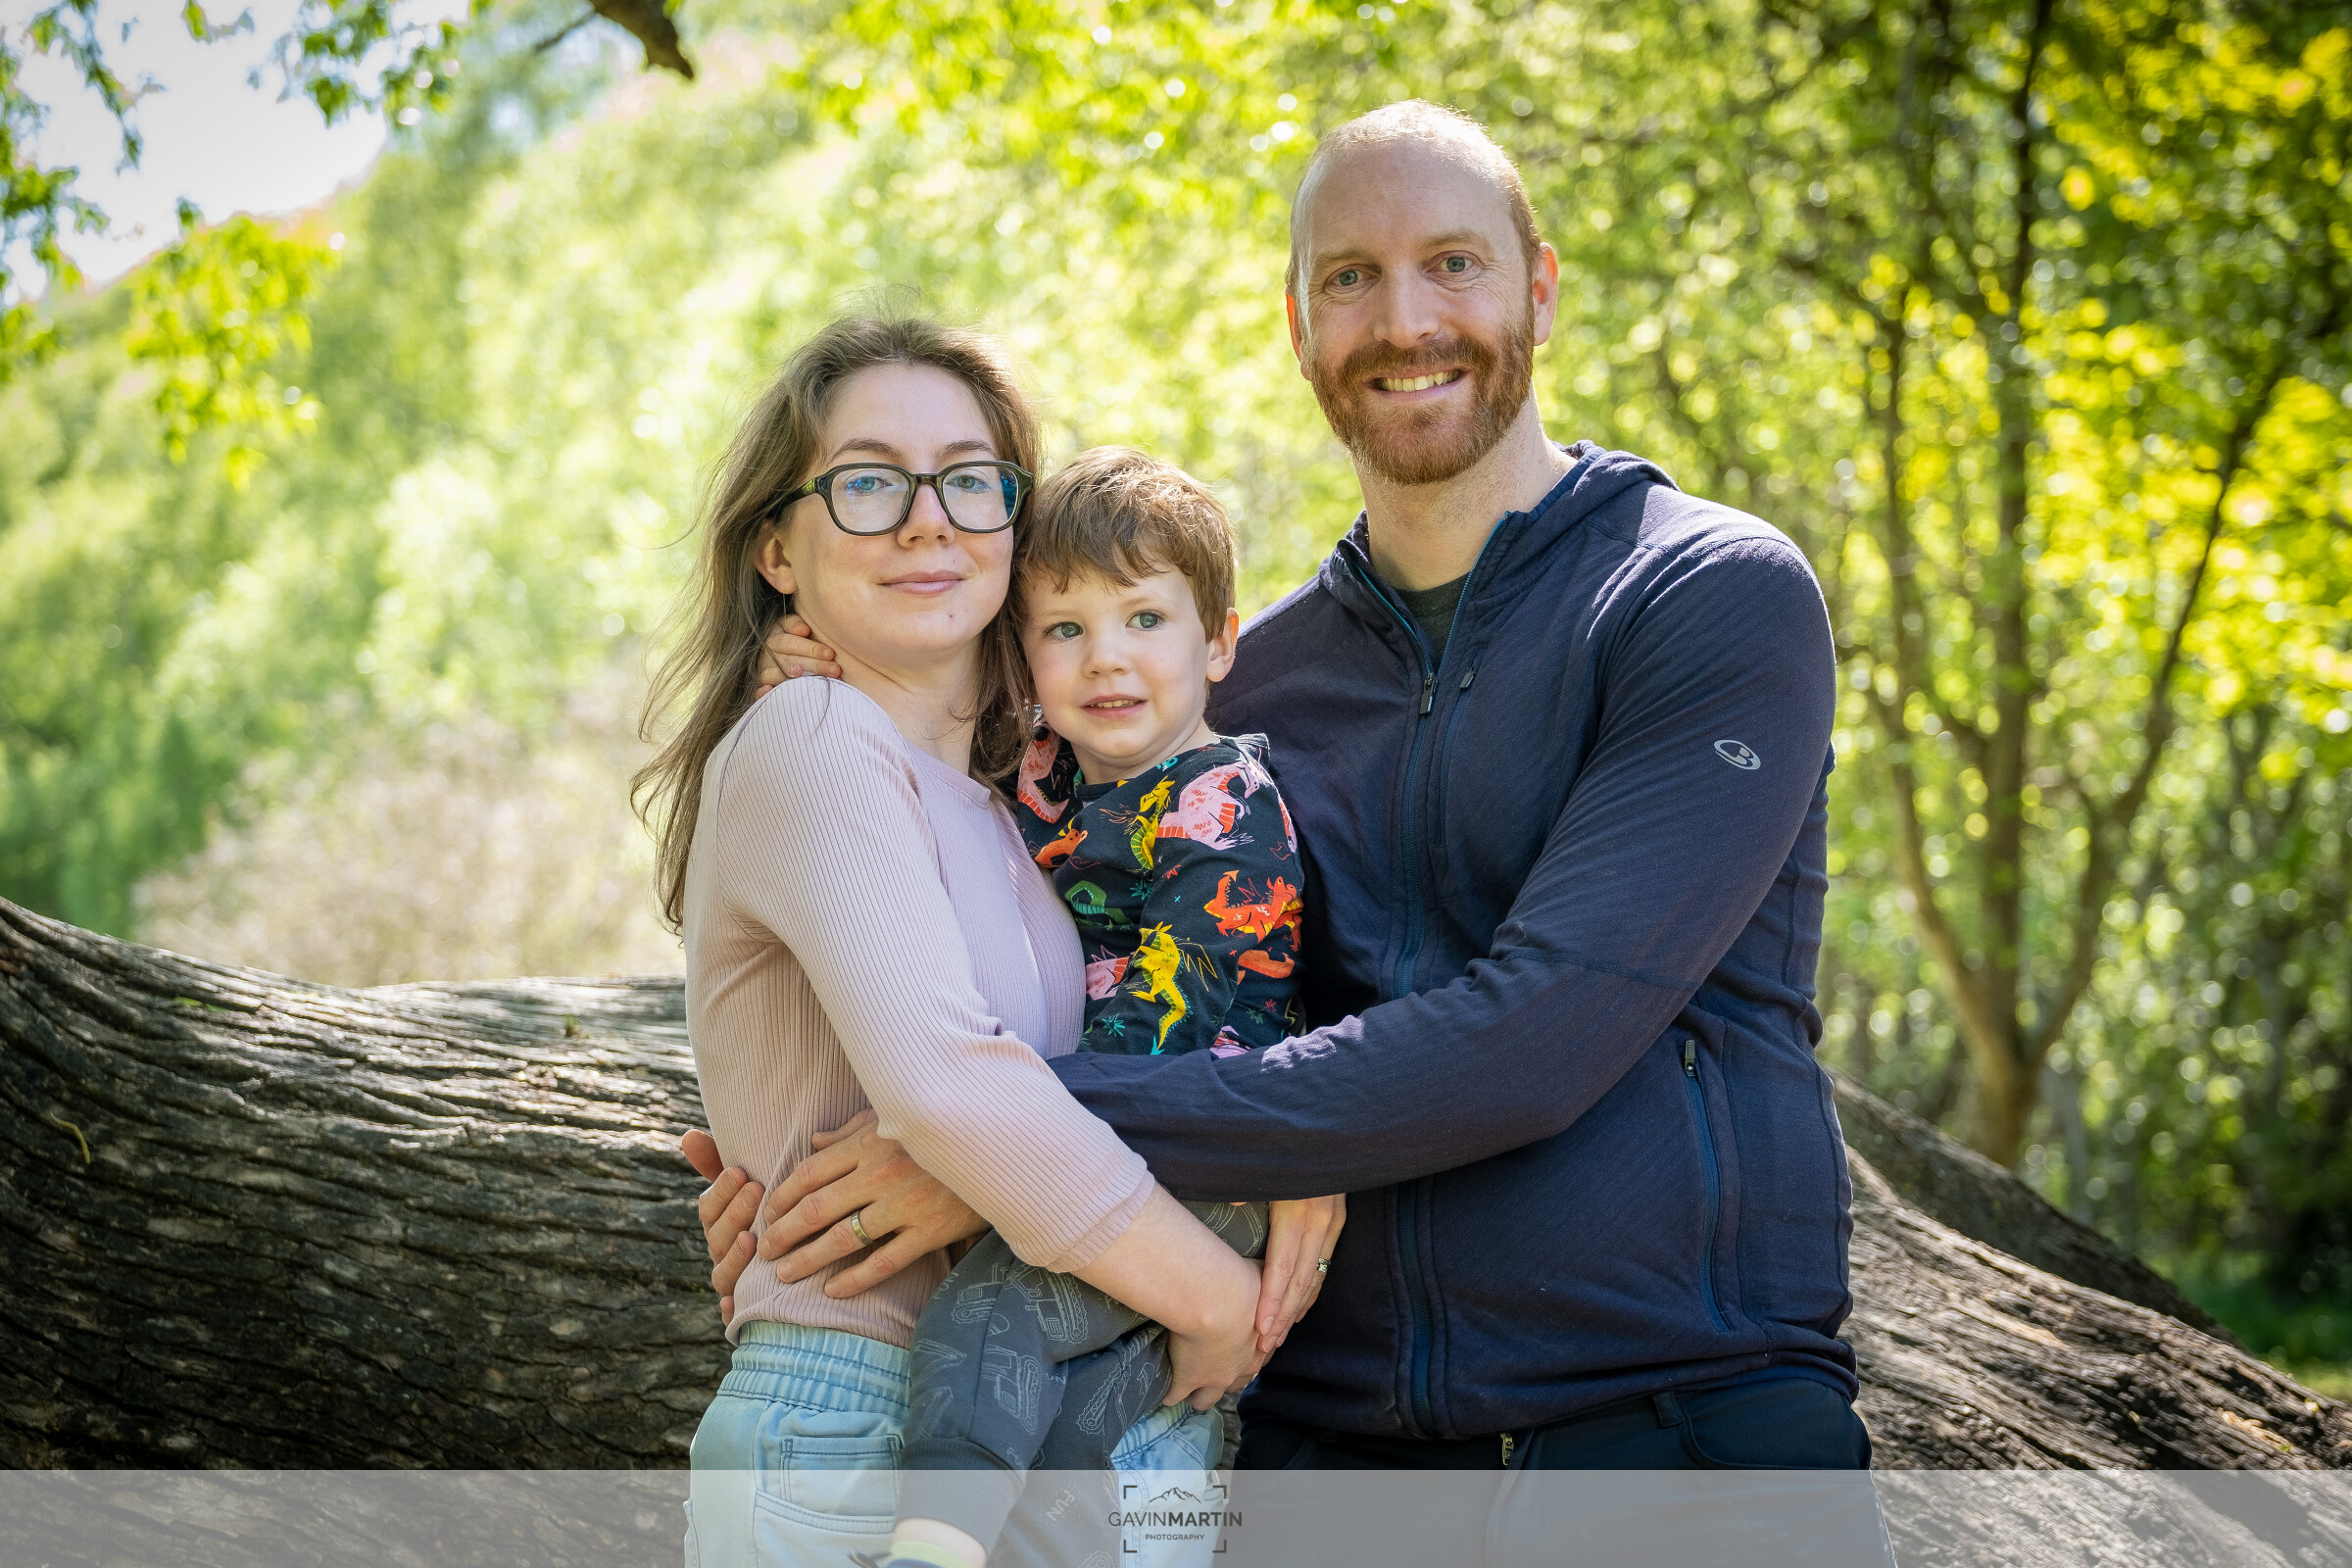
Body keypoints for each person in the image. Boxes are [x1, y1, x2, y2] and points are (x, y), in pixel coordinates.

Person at [712, 100, 1880, 1550]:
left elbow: (1536, 1041)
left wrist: (991, 1140)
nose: (1407, 320)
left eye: (1454, 263)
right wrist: (787, 1156)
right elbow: (1003, 921)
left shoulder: (1700, 598)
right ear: (1299, 322)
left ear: (1540, 287)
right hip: (1323, 1458)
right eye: (1351, 277)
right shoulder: (1240, 689)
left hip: (1678, 1431)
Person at [643, 315, 1338, 1568]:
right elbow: (952, 1092)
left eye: (969, 480)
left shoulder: (1024, 807)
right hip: (875, 1420)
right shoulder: (813, 739)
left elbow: (1149, 1039)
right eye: (868, 484)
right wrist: (1221, 1296)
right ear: (777, 549)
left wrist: (1296, 1148)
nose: (928, 520)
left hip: (1118, 1424)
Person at [869, 447, 1315, 1568]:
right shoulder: (1044, 769)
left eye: (1144, 619)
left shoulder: (1222, 810)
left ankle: (927, 1552)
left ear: (1218, 641)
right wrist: (811, 656)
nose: (1105, 657)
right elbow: (911, 718)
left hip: (1202, 1164)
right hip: (1105, 1151)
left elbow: (1155, 1039)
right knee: (1077, 1420)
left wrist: (980, 1145)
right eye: (1064, 629)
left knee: (988, 1319)